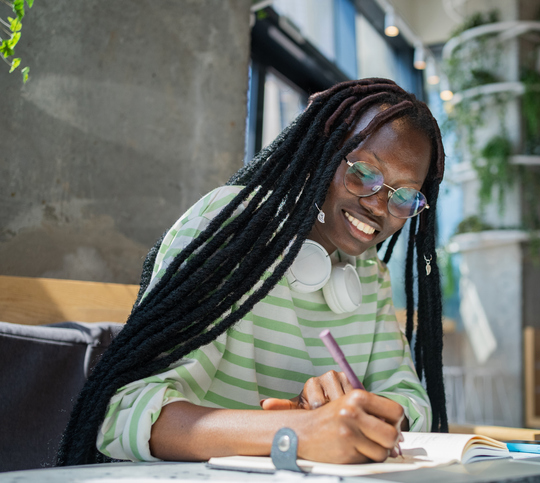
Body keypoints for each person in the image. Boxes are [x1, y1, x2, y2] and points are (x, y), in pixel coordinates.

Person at [56, 78, 447, 466]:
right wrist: (298, 432)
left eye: (405, 196)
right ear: (323, 152)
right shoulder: (230, 228)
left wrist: (365, 415)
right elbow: (124, 412)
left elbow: (410, 400)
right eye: (364, 173)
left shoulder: (370, 274)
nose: (380, 207)